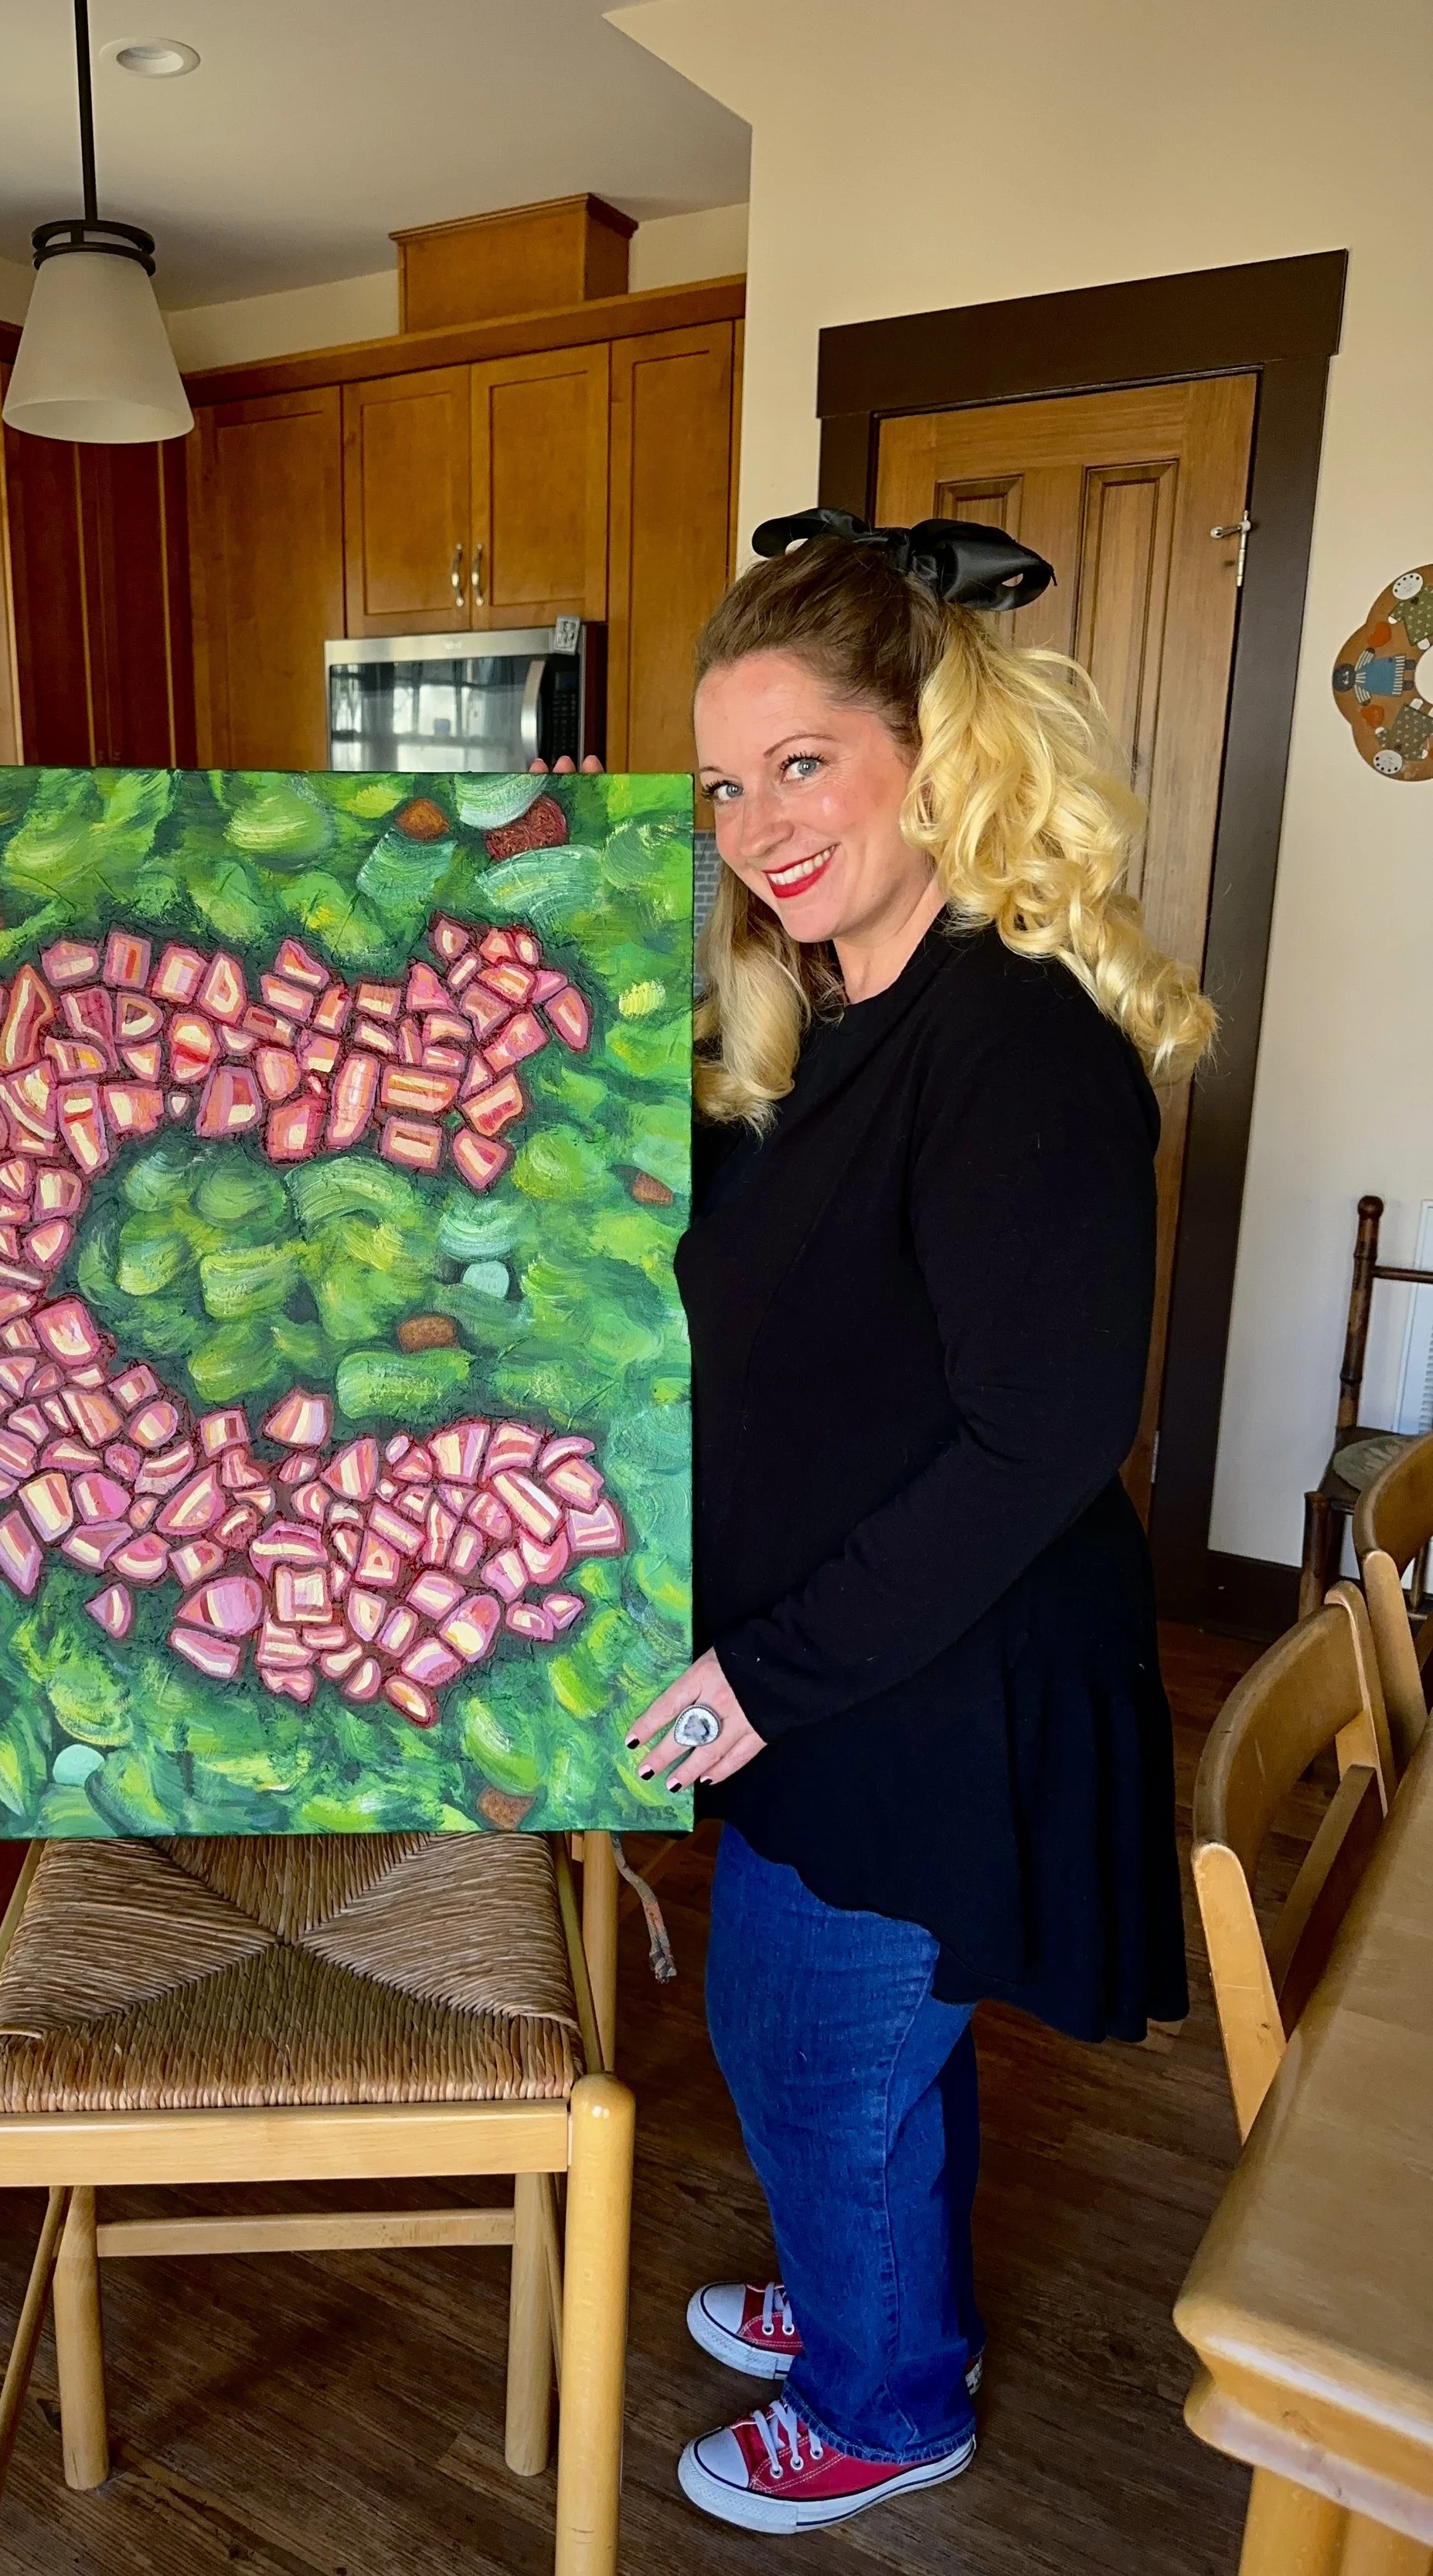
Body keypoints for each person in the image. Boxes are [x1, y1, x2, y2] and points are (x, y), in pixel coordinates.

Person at [611, 511, 1214, 2535]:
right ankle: (863, 2290)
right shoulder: (833, 1017)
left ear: (924, 749)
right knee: (851, 2047)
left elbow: (1036, 1438)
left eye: (799, 761)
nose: (752, 821)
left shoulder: (1013, 1038)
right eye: (720, 780)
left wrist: (758, 1673)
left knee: (808, 2039)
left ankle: (886, 2395)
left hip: (924, 1687)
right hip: (840, 1657)